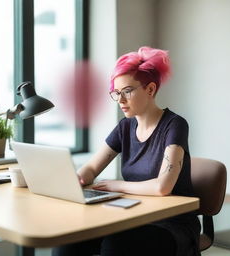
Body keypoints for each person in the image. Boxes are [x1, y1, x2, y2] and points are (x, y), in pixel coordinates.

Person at [52, 46, 201, 256]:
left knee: (116, 246)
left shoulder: (175, 125)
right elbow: (93, 167)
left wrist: (115, 185)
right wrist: (77, 179)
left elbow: (163, 187)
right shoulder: (125, 127)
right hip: (133, 215)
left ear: (150, 90)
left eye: (127, 91)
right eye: (116, 93)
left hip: (171, 224)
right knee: (67, 244)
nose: (120, 100)